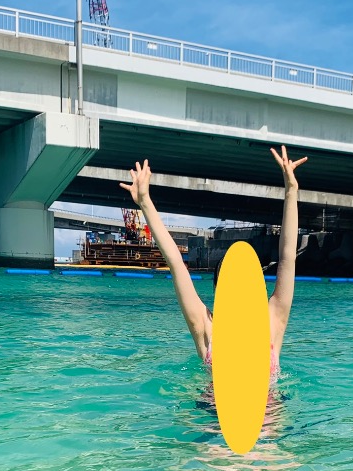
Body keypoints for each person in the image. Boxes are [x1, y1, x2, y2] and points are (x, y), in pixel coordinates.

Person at [119, 146, 307, 383]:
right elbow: (176, 263)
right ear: (220, 291)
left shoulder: (271, 322)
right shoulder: (208, 328)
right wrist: (145, 202)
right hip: (213, 417)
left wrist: (291, 191)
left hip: (268, 418)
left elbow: (288, 256)